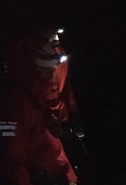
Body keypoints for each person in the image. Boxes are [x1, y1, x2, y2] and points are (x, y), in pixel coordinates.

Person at [0, 31, 78, 185]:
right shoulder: (15, 104)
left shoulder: (33, 96)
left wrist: (69, 174)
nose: (54, 71)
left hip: (53, 184)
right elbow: (12, 163)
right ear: (33, 66)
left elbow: (51, 140)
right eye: (48, 66)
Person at [37, 28, 87, 167]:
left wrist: (74, 113)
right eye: (52, 37)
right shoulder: (37, 62)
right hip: (45, 122)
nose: (56, 39)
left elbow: (66, 87)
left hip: (62, 117)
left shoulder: (61, 57)